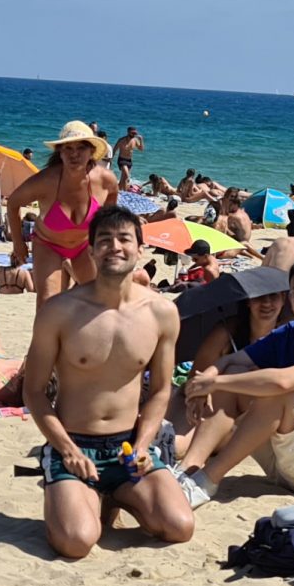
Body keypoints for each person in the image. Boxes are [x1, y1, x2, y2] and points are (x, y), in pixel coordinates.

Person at [22, 206, 194, 558]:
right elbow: (34, 391)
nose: (114, 246)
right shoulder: (60, 311)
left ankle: (113, 494)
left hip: (129, 448)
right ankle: (67, 491)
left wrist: (145, 445)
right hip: (73, 445)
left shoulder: (162, 312)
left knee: (179, 527)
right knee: (77, 542)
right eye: (104, 240)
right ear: (91, 250)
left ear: (140, 249)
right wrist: (66, 449)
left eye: (124, 239)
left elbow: (162, 390)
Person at [171, 253, 294, 507]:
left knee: (277, 393)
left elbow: (284, 383)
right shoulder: (291, 333)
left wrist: (215, 384)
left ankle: (207, 480)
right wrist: (207, 379)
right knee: (234, 374)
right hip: (288, 456)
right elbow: (230, 362)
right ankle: (189, 469)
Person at [5, 121, 124, 305]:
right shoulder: (46, 180)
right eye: (68, 148)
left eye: (81, 148)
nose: (74, 154)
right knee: (47, 302)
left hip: (84, 246)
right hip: (48, 244)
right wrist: (18, 244)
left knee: (100, 301)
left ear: (91, 151)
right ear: (60, 152)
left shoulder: (105, 180)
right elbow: (12, 204)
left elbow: (109, 214)